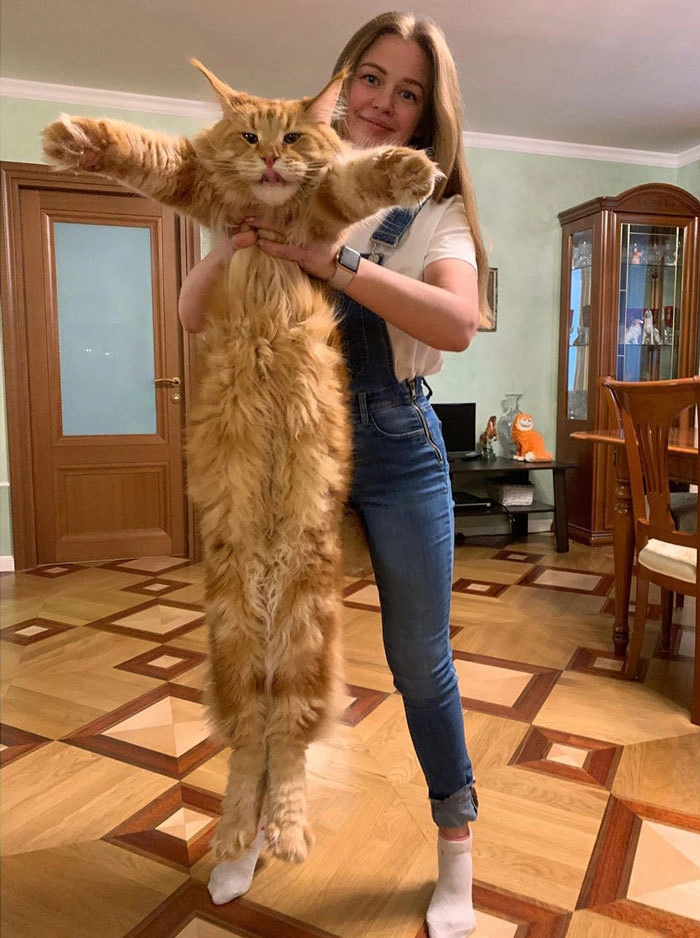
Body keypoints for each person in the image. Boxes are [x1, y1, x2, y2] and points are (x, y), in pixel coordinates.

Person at [179, 12, 489, 938]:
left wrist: (338, 261)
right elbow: (193, 312)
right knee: (260, 639)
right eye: (372, 79)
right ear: (342, 83)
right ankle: (248, 823)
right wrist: (236, 243)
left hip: (394, 442)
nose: (384, 103)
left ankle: (456, 849)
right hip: (287, 439)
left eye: (409, 92)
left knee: (420, 661)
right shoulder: (279, 176)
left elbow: (457, 323)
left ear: (428, 114)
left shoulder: (429, 207)